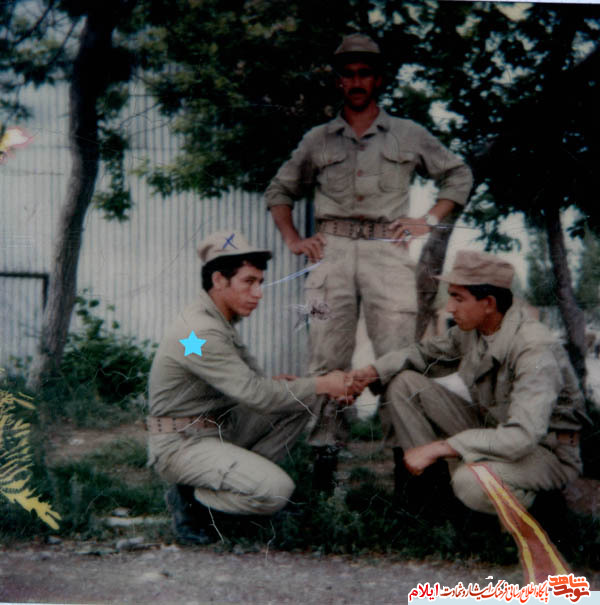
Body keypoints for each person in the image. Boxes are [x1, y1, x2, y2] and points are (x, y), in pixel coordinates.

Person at [265, 33, 473, 481]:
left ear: (378, 80)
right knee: (326, 357)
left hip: (386, 251)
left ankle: (406, 468)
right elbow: (279, 190)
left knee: (397, 358)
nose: (357, 82)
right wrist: (294, 240)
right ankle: (324, 466)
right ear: (338, 81)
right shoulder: (319, 139)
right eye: (348, 74)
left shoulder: (408, 134)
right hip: (332, 253)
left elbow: (458, 174)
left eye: (365, 74)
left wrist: (428, 220)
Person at [147, 231, 359, 544]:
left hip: (214, 429)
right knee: (277, 491)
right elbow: (258, 395)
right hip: (181, 444)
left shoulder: (220, 322)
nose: (258, 293)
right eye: (249, 282)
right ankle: (192, 500)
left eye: (260, 282)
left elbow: (259, 385)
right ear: (219, 280)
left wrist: (308, 388)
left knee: (300, 399)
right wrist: (323, 383)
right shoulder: (201, 331)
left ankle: (238, 481)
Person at [352, 250, 586, 517]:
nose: (450, 308)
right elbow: (422, 354)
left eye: (458, 298)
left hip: (544, 451)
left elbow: (522, 437)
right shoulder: (474, 331)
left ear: (488, 303)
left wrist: (439, 448)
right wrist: (370, 372)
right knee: (404, 385)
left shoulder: (534, 348)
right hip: (494, 430)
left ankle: (542, 508)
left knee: (471, 481)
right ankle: (434, 501)